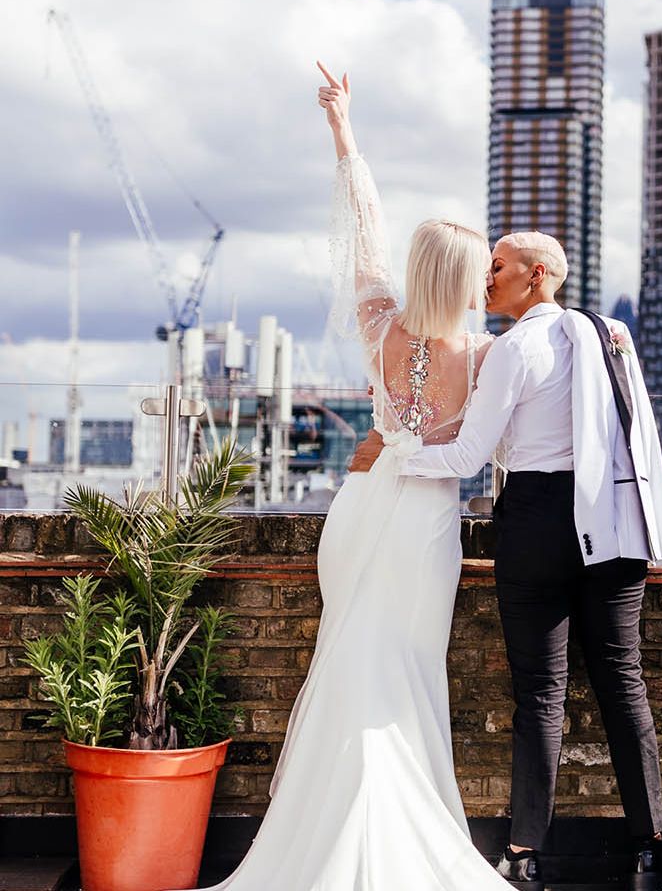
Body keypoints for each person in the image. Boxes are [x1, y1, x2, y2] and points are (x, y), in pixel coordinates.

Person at [187, 66, 513, 890]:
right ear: (465, 279)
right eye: (479, 271)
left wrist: (344, 130)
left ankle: (319, 836)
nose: (484, 284)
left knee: (349, 659)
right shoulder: (483, 357)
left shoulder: (379, 324)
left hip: (363, 506)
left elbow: (363, 231)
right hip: (423, 518)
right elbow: (484, 455)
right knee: (402, 669)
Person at [402, 232, 662, 891]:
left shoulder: (514, 348)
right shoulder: (609, 334)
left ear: (536, 275)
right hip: (613, 519)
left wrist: (395, 455)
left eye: (497, 267)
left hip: (537, 521)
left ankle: (525, 851)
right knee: (622, 684)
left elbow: (469, 459)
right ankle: (648, 848)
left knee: (540, 695)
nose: (486, 279)